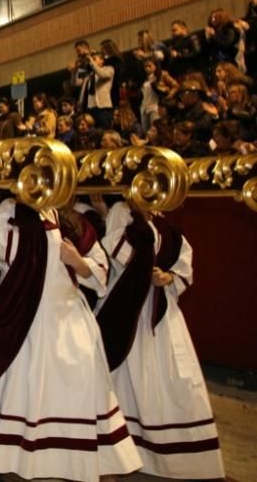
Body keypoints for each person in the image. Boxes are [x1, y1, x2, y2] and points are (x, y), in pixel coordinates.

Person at [0, 196, 141, 480]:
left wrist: (76, 261)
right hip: (24, 315)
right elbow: (4, 251)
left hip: (70, 315)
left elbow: (99, 267)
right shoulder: (10, 211)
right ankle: (22, 462)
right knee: (29, 387)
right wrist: (32, 220)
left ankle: (86, 458)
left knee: (81, 385)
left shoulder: (70, 219)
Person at [98, 203, 225, 479]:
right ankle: (120, 448)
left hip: (161, 315)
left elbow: (183, 257)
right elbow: (116, 247)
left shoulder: (164, 223)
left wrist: (169, 277)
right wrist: (146, 271)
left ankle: (169, 455)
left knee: (172, 379)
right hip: (127, 306)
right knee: (125, 373)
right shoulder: (122, 210)